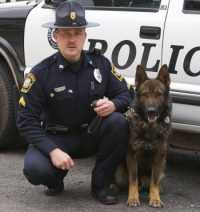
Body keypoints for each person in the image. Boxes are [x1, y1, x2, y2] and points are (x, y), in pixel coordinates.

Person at [17, 0, 131, 205]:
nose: (72, 40)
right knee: (35, 169)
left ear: (85, 36)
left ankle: (100, 184)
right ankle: (54, 180)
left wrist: (113, 104)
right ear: (55, 36)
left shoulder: (100, 64)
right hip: (57, 139)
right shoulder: (41, 73)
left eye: (77, 33)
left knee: (118, 122)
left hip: (91, 135)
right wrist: (52, 150)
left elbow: (126, 94)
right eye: (66, 33)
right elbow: (26, 121)